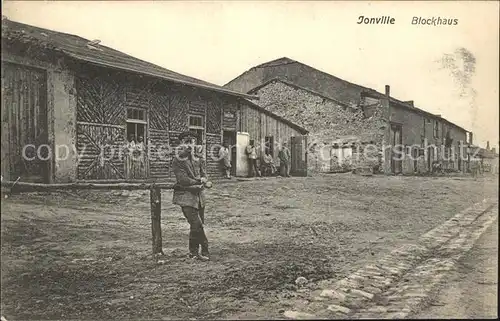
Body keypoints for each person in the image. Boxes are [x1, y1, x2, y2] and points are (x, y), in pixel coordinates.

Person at [172, 131, 210, 261]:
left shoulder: (199, 159)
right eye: (186, 142)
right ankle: (205, 249)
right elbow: (183, 180)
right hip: (185, 197)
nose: (189, 145)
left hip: (199, 198)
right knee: (197, 224)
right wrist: (199, 181)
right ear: (181, 144)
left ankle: (193, 252)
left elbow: (205, 174)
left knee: (197, 226)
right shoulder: (178, 160)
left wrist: (204, 179)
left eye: (192, 142)